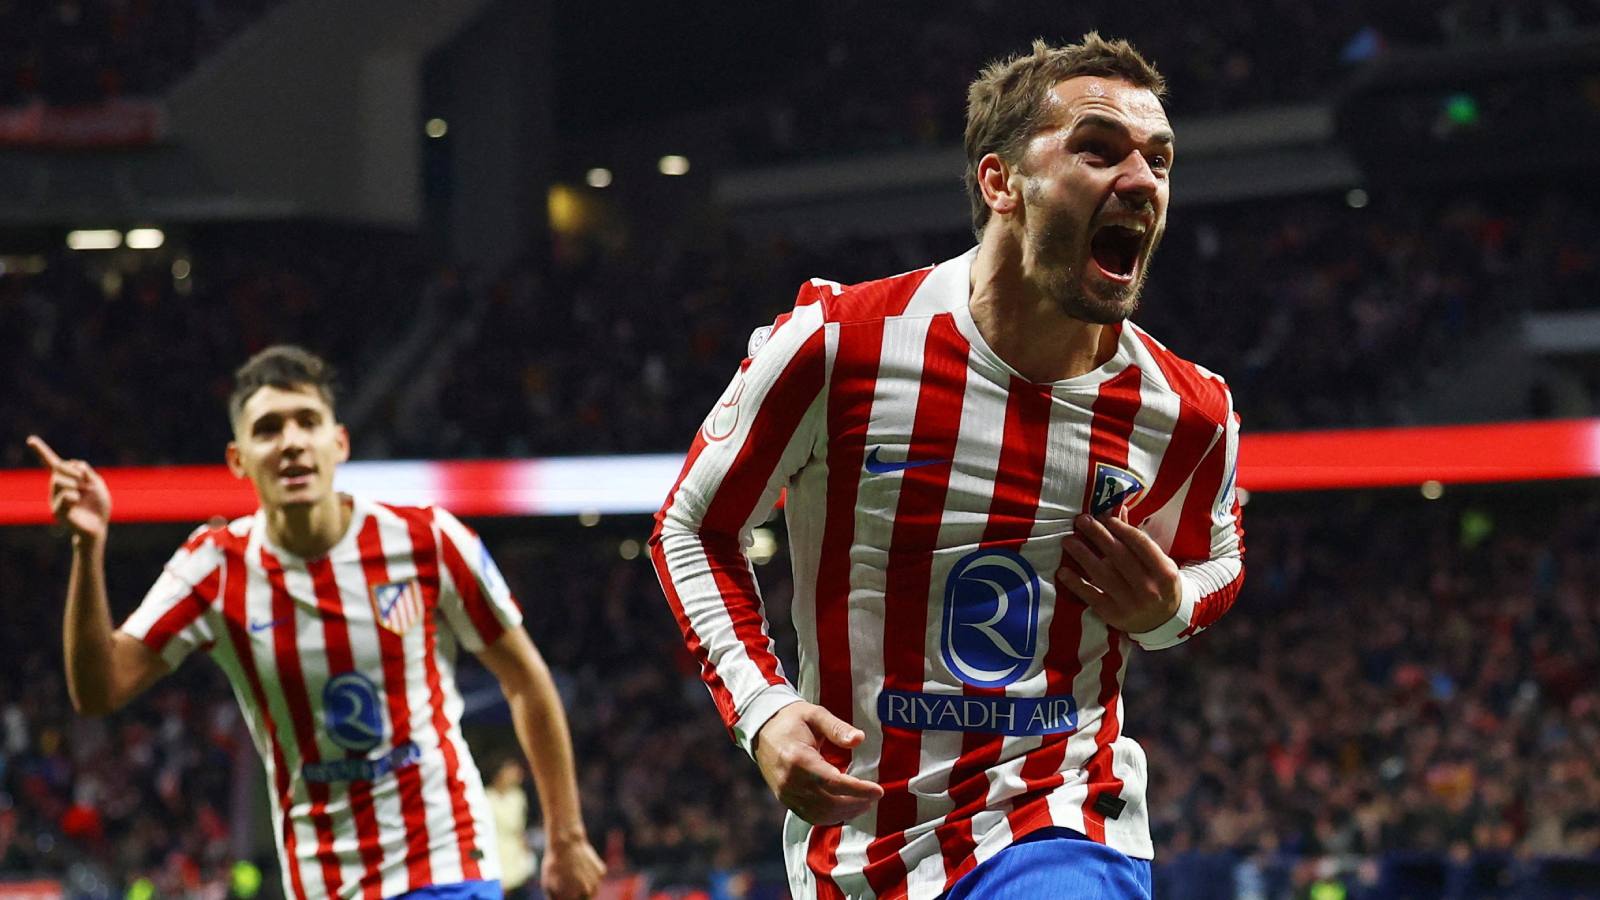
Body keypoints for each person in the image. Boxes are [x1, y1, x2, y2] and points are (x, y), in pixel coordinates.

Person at [650, 33, 1244, 900]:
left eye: (1159, 159)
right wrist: (762, 708)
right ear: (1000, 182)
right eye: (1098, 149)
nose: (1143, 181)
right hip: (860, 850)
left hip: (1063, 816)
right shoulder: (838, 347)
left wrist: (1170, 606)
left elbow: (1219, 559)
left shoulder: (1187, 411)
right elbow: (694, 526)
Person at [28, 346, 605, 900]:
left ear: (339, 443)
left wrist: (567, 836)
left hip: (444, 860)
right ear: (238, 460)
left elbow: (527, 680)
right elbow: (99, 690)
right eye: (269, 429)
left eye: (308, 421)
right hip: (321, 880)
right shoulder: (214, 569)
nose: (292, 443)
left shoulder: (426, 541)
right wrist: (88, 547)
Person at [485, 758, 536, 899]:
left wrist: (526, 853)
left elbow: (520, 829)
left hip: (515, 855)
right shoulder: (486, 798)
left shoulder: (518, 797)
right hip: (495, 854)